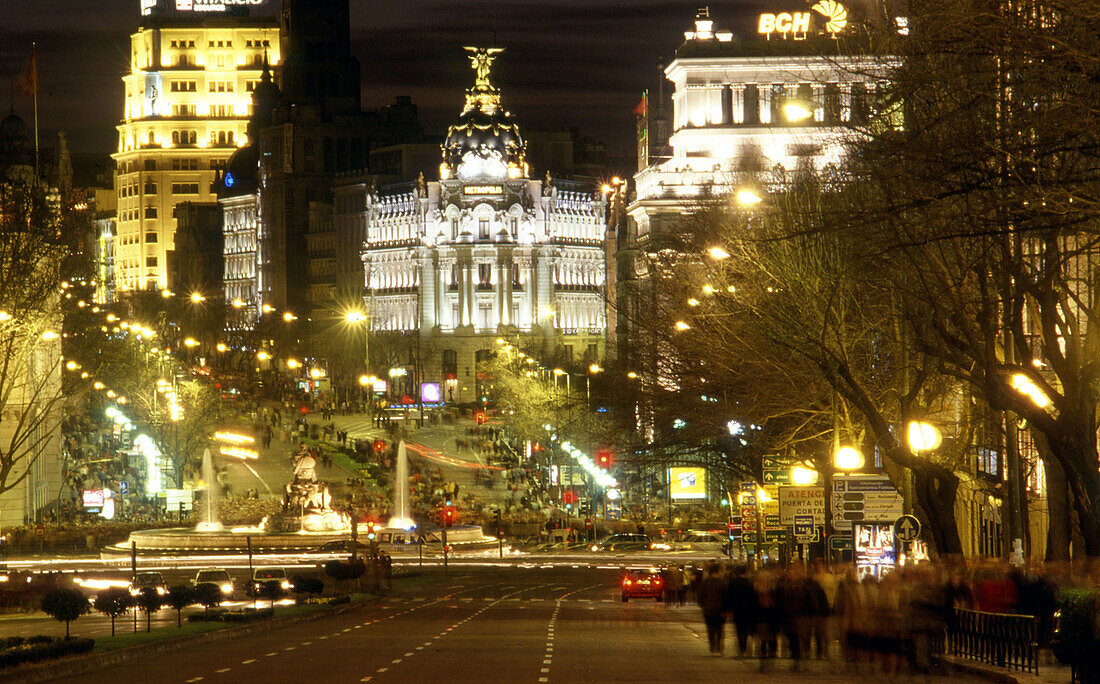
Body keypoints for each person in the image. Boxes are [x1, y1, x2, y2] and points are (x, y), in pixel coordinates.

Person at [725, 564, 759, 658]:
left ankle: (742, 646)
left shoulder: (733, 583)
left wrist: (728, 609)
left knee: (739, 629)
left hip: (737, 610)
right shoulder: (749, 583)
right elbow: (753, 597)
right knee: (747, 628)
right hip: (748, 610)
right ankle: (746, 642)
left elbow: (729, 597)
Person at [697, 562, 728, 655]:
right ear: (718, 571)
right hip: (720, 610)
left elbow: (700, 596)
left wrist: (703, 605)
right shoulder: (722, 582)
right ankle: (718, 647)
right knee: (719, 629)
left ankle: (712, 647)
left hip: (708, 609)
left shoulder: (705, 582)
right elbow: (726, 596)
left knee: (710, 629)